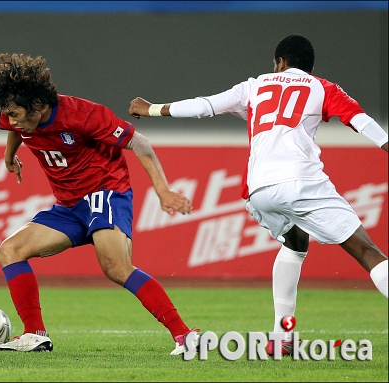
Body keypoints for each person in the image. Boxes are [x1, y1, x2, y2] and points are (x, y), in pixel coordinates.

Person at [128, 34, 388, 357]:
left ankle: (281, 338)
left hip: (258, 190)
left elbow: (204, 106)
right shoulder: (322, 87)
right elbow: (359, 120)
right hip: (301, 181)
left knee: (295, 242)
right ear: (310, 66)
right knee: (367, 251)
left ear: (280, 61)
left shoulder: (255, 85)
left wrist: (152, 109)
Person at [0, 53, 198, 356]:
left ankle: (185, 336)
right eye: (7, 113)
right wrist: (10, 155)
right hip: (68, 205)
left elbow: (139, 142)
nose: (9, 120)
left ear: (38, 106)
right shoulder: (16, 115)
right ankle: (35, 333)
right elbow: (18, 129)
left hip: (104, 193)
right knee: (10, 251)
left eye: (15, 113)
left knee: (116, 267)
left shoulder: (83, 115)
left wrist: (163, 191)